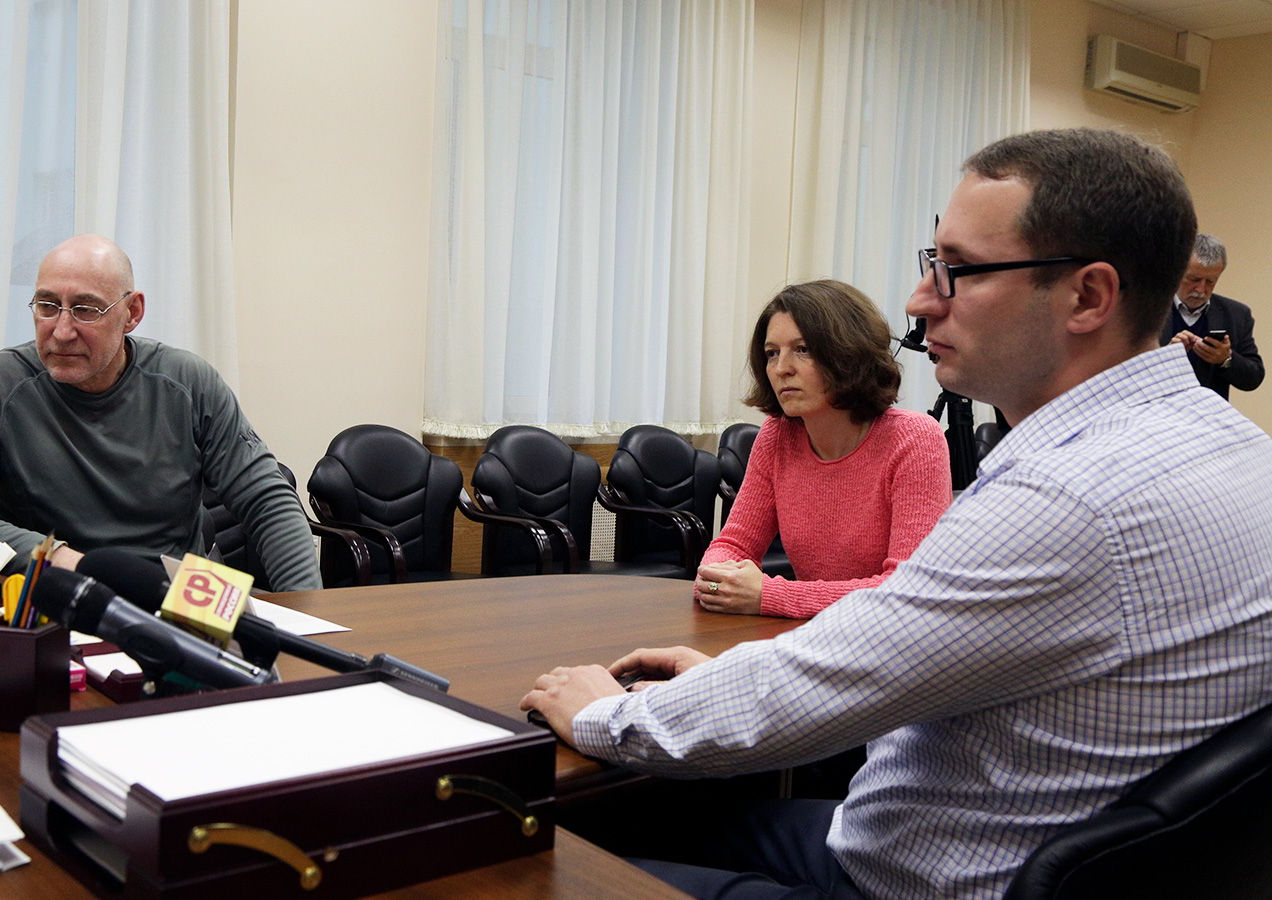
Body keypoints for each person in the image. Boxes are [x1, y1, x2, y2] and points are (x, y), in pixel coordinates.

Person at [521, 128, 1272, 900]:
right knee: (639, 822)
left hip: (921, 875)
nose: (919, 300)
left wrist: (602, 715)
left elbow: (822, 683)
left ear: (1088, 297)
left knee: (539, 869)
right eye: (929, 263)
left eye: (958, 271)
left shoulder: (1061, 498)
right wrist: (728, 676)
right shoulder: (1241, 451)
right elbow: (905, 655)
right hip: (974, 836)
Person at [0, 234, 321, 590]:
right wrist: (56, 557)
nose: (62, 330)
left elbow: (268, 501)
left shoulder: (188, 384)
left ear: (132, 313)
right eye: (47, 305)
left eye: (86, 309)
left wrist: (313, 613)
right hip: (55, 596)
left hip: (175, 601)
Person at [696, 280, 950, 620]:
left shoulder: (914, 439)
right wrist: (716, 579)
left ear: (847, 353)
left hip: (893, 641)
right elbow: (734, 545)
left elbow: (908, 591)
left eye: (802, 349)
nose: (781, 368)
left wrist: (771, 595)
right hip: (813, 632)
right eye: (772, 353)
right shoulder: (777, 435)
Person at [1158, 232, 1263, 400]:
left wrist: (1226, 359)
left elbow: (1253, 378)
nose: (1201, 289)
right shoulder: (1147, 309)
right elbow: (1123, 369)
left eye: (1210, 281)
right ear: (1177, 270)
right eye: (1194, 279)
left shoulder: (1236, 315)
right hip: (1155, 412)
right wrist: (1165, 357)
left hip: (1208, 414)